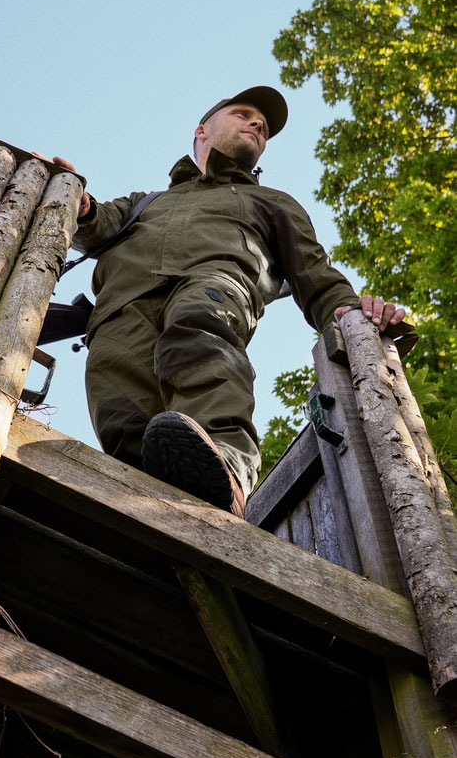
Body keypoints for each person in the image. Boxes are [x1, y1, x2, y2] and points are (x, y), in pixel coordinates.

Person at [48, 86, 405, 518]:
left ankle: (225, 470)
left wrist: (350, 313)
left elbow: (316, 273)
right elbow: (96, 224)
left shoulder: (272, 202)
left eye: (264, 127)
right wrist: (81, 205)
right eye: (243, 114)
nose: (257, 124)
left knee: (198, 335)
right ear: (202, 131)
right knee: (120, 410)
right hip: (120, 309)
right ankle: (146, 509)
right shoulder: (146, 202)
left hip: (215, 284)